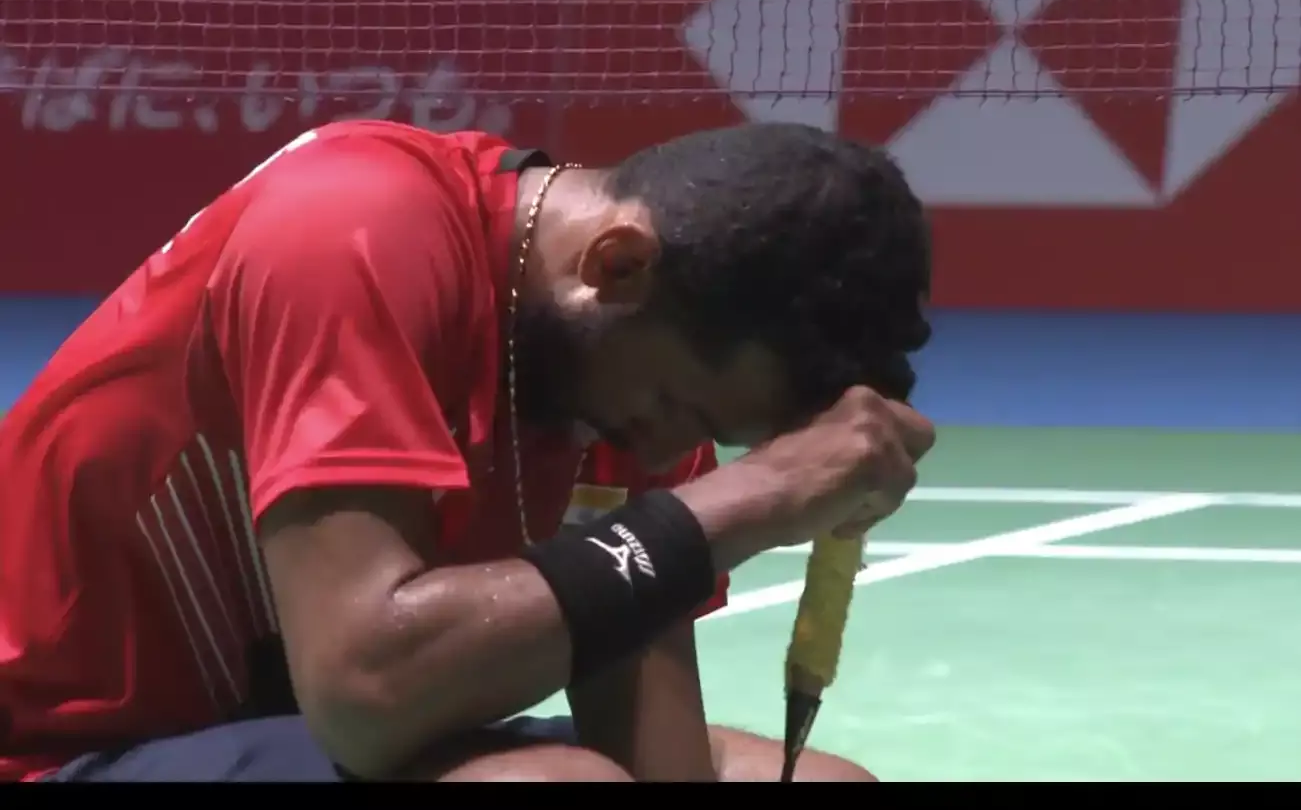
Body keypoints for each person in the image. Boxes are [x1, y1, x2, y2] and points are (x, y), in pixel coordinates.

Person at [0, 119, 935, 782]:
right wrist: (752, 499)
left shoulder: (626, 357)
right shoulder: (352, 227)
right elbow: (367, 696)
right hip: (65, 747)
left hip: (295, 736)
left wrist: (701, 515)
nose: (674, 449)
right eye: (678, 405)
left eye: (714, 436)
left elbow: (655, 756)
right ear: (617, 264)